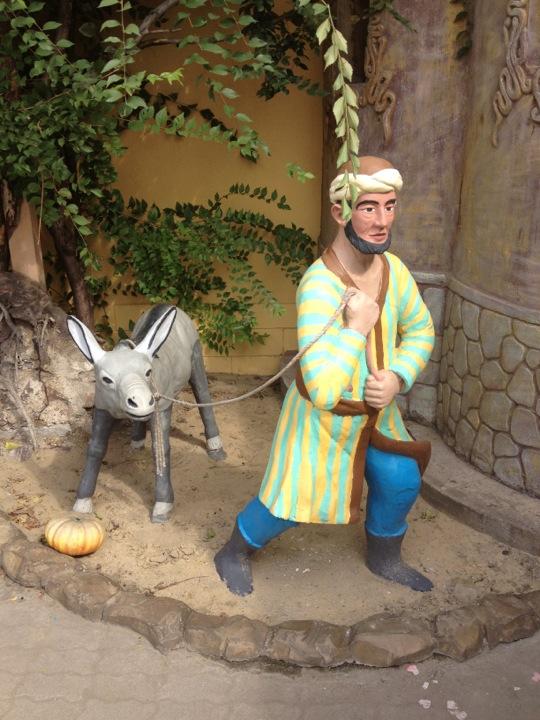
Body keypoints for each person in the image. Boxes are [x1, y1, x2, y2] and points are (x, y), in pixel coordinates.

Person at [214, 155, 435, 597]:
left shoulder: (394, 271)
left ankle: (385, 557)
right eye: (368, 208)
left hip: (378, 416)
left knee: (400, 479)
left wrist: (397, 376)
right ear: (340, 212)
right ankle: (234, 551)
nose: (382, 221)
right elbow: (321, 388)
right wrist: (356, 329)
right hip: (324, 424)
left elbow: (421, 330)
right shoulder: (318, 285)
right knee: (289, 502)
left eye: (389, 206)